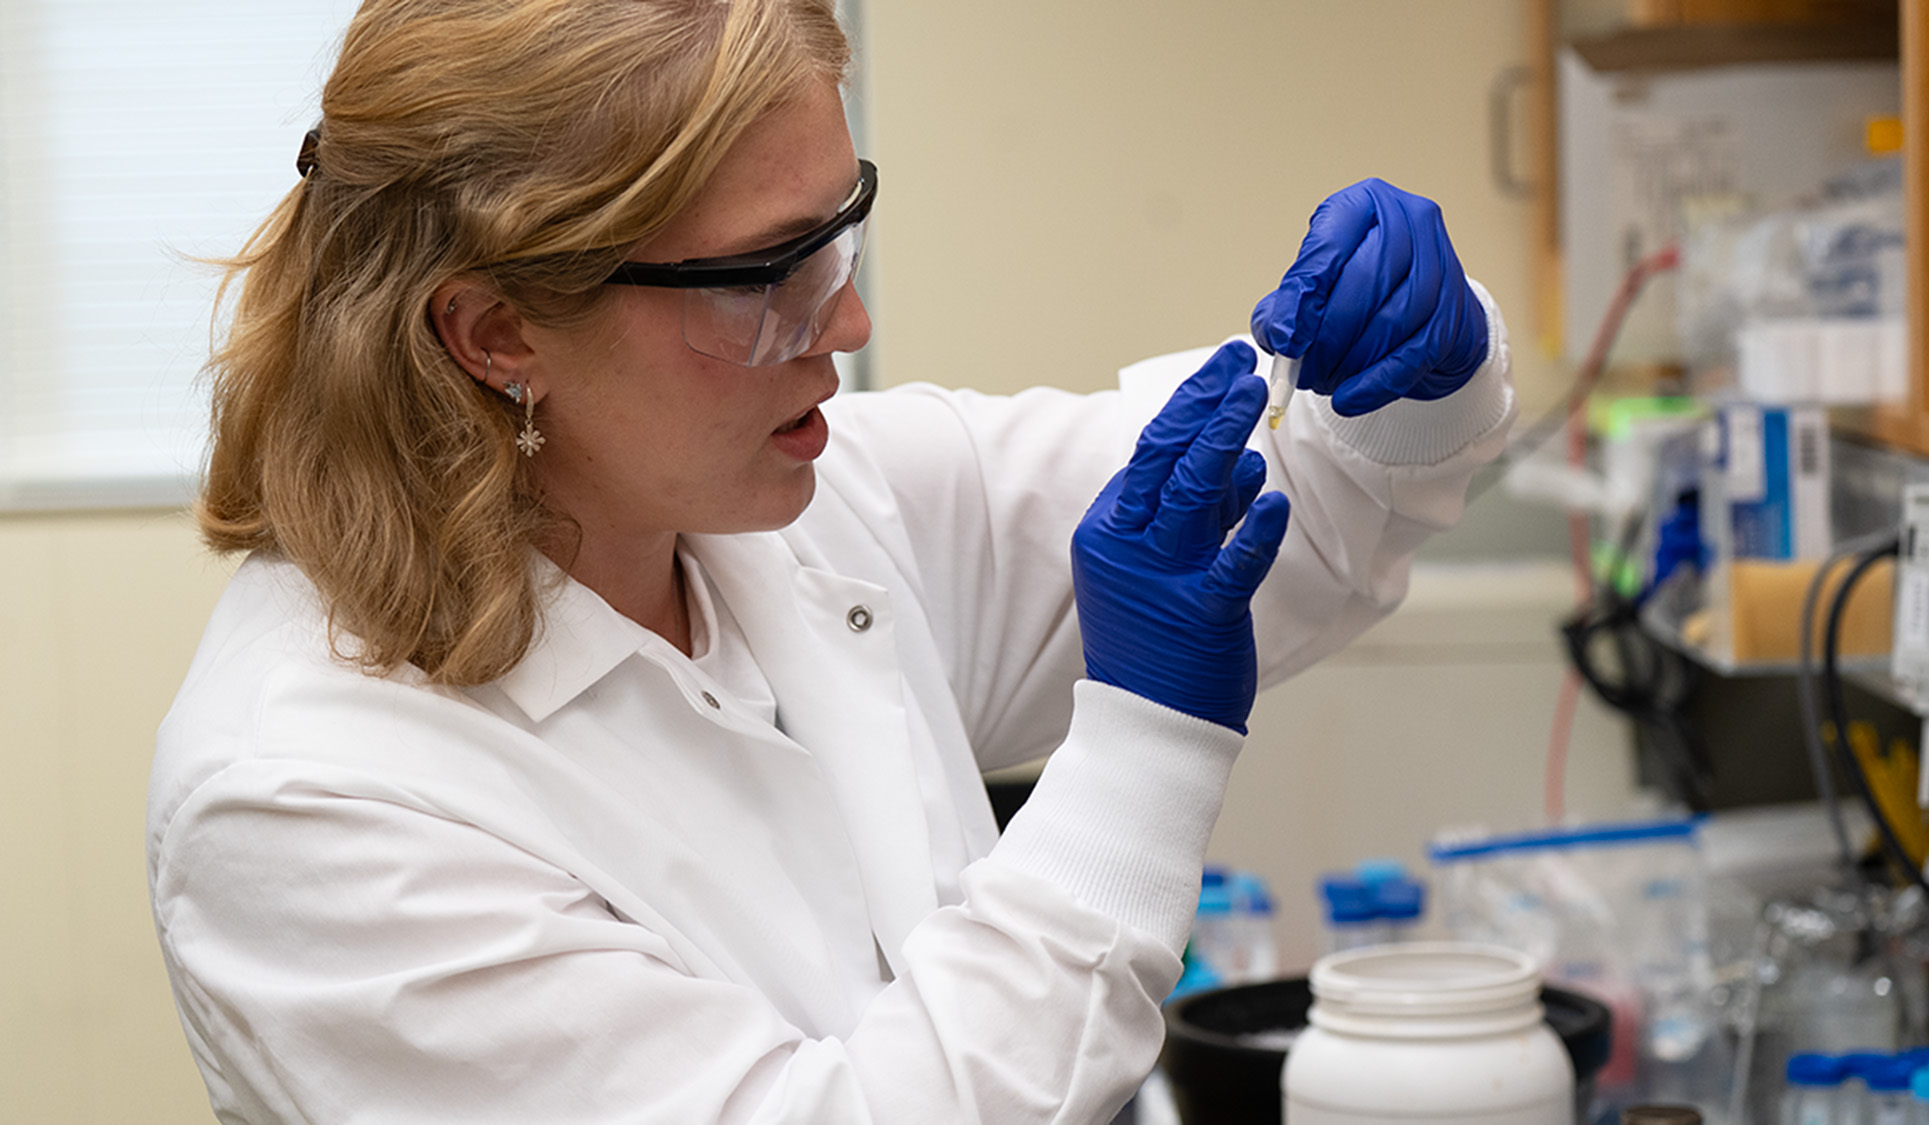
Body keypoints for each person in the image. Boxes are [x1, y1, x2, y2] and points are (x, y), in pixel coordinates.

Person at [146, 0, 1514, 1121]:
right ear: (497, 332)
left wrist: (1410, 376)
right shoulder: (307, 801)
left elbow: (1304, 507)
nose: (846, 320)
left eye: (839, 227)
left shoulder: (797, 502)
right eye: (765, 274)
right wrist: (1147, 752)